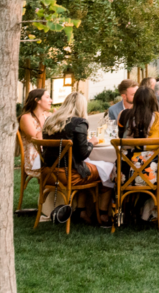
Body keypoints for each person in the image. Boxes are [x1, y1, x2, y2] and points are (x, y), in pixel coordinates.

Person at [41, 91, 112, 225]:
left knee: (88, 168)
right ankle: (103, 214)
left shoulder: (50, 120)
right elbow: (82, 154)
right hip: (69, 175)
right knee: (109, 169)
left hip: (48, 173)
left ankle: (81, 210)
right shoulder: (79, 122)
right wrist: (92, 142)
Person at [118, 85, 159, 160]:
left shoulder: (123, 114)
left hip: (125, 166)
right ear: (153, 100)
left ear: (135, 100)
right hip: (151, 168)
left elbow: (120, 136)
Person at [18, 87, 53, 177]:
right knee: (66, 163)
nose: (51, 100)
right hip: (35, 159)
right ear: (38, 100)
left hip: (48, 154)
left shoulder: (48, 116)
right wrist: (47, 123)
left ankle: (53, 190)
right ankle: (53, 189)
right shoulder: (26, 118)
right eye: (47, 97)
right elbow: (38, 140)